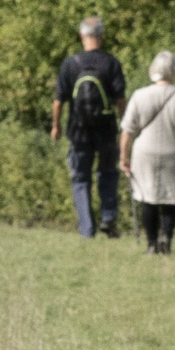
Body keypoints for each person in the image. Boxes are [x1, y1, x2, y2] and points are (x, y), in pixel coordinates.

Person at [50, 16, 129, 242]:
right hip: (106, 129)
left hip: (79, 130)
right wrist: (126, 126)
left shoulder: (70, 64)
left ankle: (86, 229)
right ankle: (108, 218)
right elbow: (120, 100)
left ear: (81, 35)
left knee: (81, 179)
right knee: (108, 173)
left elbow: (58, 100)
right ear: (101, 36)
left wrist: (56, 126)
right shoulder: (111, 63)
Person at [120, 49, 175, 257]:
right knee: (171, 196)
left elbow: (127, 130)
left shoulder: (140, 95)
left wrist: (124, 156)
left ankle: (151, 243)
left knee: (148, 197)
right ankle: (166, 236)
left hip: (145, 153)